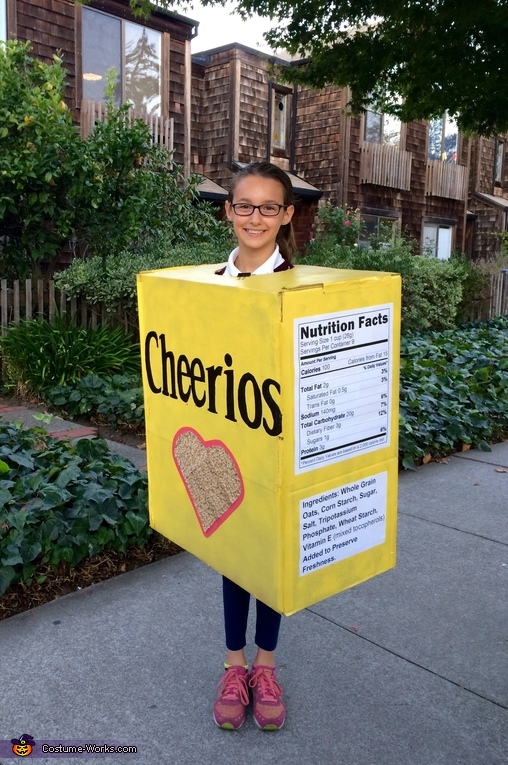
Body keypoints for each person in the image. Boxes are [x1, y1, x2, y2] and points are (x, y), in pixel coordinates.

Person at [212, 161, 296, 731]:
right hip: (225, 440)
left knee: (269, 559)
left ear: (286, 215)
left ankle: (265, 666)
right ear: (229, 211)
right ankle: (232, 664)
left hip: (277, 447)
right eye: (246, 205)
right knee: (231, 555)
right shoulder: (207, 284)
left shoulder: (304, 289)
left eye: (269, 207)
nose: (256, 217)